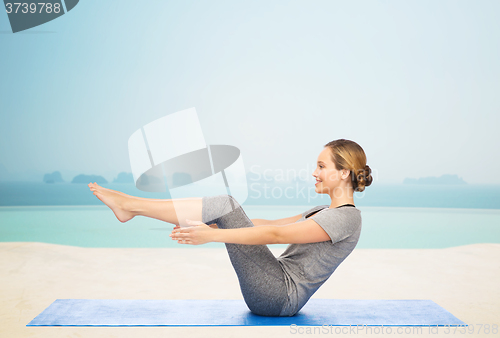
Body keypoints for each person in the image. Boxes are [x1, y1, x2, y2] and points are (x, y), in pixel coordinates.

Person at [88, 138, 372, 317]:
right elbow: (267, 224)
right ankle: (132, 206)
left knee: (226, 203)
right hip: (272, 287)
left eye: (321, 166)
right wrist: (211, 222)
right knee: (225, 208)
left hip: (279, 296)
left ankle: (131, 206)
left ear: (343, 172)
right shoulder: (322, 211)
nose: (314, 172)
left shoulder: (348, 218)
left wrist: (213, 235)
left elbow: (276, 235)